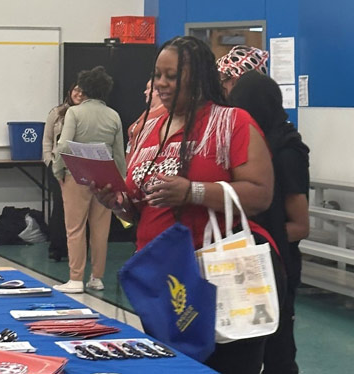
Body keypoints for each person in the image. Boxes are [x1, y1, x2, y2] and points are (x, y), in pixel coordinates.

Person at [92, 36, 285, 373]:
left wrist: (193, 192)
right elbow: (140, 206)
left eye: (172, 76)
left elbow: (260, 195)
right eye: (158, 75)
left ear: (198, 78)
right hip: (163, 277)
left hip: (220, 275)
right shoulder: (148, 127)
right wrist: (117, 202)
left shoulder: (233, 122)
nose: (161, 85)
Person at [228, 71, 310, 374]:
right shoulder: (253, 147)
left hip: (278, 266)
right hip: (249, 261)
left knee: (278, 352)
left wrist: (256, 241)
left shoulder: (286, 153)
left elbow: (301, 225)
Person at [51, 66, 125, 293]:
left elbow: (63, 145)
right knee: (101, 230)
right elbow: (119, 154)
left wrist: (58, 169)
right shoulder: (114, 115)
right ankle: (97, 277)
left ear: (84, 88)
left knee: (75, 228)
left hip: (77, 176)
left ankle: (75, 279)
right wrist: (121, 183)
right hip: (105, 178)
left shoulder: (74, 112)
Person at [42, 84, 84, 261]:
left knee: (79, 210)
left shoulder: (87, 115)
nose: (79, 94)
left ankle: (77, 249)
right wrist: (50, 162)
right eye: (76, 90)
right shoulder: (57, 113)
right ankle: (57, 247)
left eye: (83, 91)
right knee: (60, 207)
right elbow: (47, 140)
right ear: (69, 92)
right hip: (58, 167)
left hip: (78, 169)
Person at [126, 78, 166, 164]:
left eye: (148, 89)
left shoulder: (164, 113)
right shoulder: (147, 112)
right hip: (131, 163)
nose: (145, 92)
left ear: (158, 91)